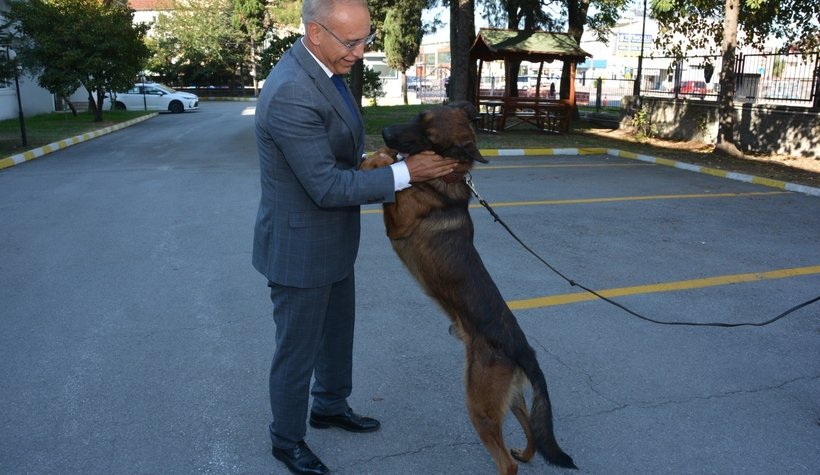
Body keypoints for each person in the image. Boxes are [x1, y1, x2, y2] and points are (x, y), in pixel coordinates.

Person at [252, 0, 457, 473]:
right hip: (300, 248)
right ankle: (286, 439)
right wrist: (406, 173)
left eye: (365, 39)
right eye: (352, 42)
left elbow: (337, 147)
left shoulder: (326, 69)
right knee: (296, 352)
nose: (361, 51)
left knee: (336, 336)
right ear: (314, 31)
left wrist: (374, 160)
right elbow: (325, 186)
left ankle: (328, 405)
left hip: (333, 242)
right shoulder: (290, 92)